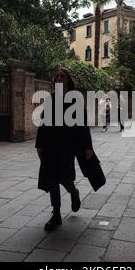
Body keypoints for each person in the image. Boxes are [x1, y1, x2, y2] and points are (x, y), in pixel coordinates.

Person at [35, 67, 94, 231]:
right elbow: (44, 122)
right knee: (52, 178)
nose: (59, 78)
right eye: (57, 76)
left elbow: (82, 124)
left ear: (68, 79)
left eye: (62, 76)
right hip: (50, 145)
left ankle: (73, 191)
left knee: (64, 178)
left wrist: (87, 147)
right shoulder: (51, 99)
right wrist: (39, 144)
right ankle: (56, 214)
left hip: (67, 146)